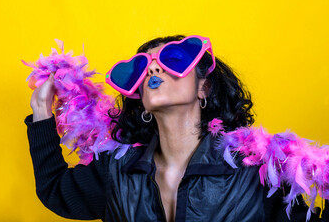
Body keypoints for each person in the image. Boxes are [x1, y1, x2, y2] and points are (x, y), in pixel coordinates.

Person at [25, 35, 328, 221]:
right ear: (140, 98)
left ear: (204, 88)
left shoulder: (256, 171)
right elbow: (56, 191)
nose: (154, 69)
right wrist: (41, 112)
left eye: (172, 60)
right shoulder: (116, 169)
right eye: (143, 67)